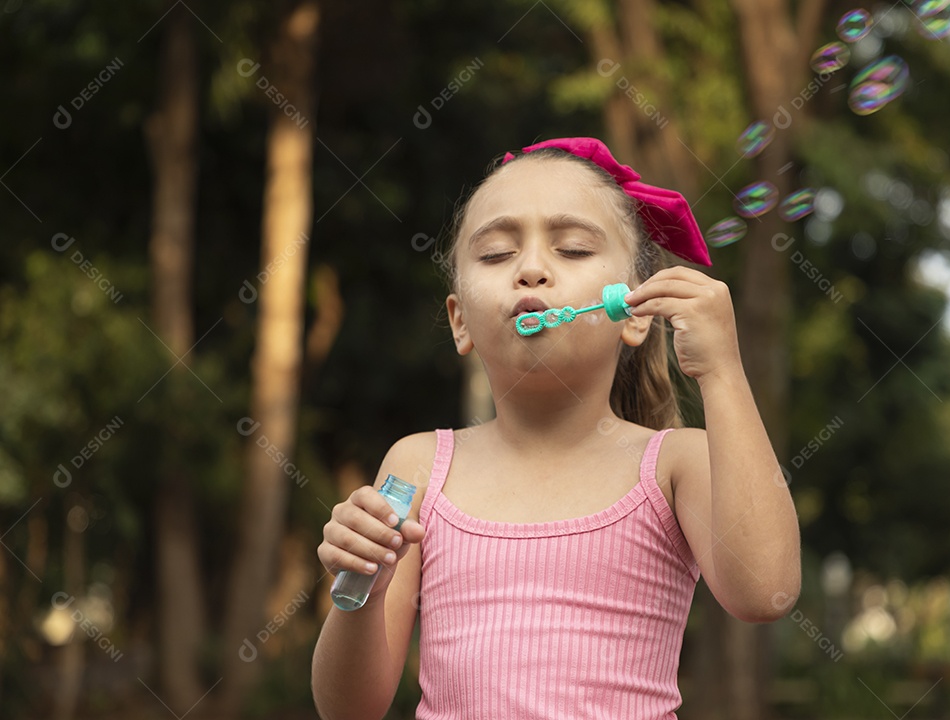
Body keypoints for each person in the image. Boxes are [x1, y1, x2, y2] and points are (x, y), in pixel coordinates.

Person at [312, 137, 801, 720]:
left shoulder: (674, 463)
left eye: (571, 248)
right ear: (459, 320)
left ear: (634, 313)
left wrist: (722, 372)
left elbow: (766, 591)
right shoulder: (419, 467)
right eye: (495, 254)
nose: (532, 271)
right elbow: (349, 711)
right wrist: (358, 594)